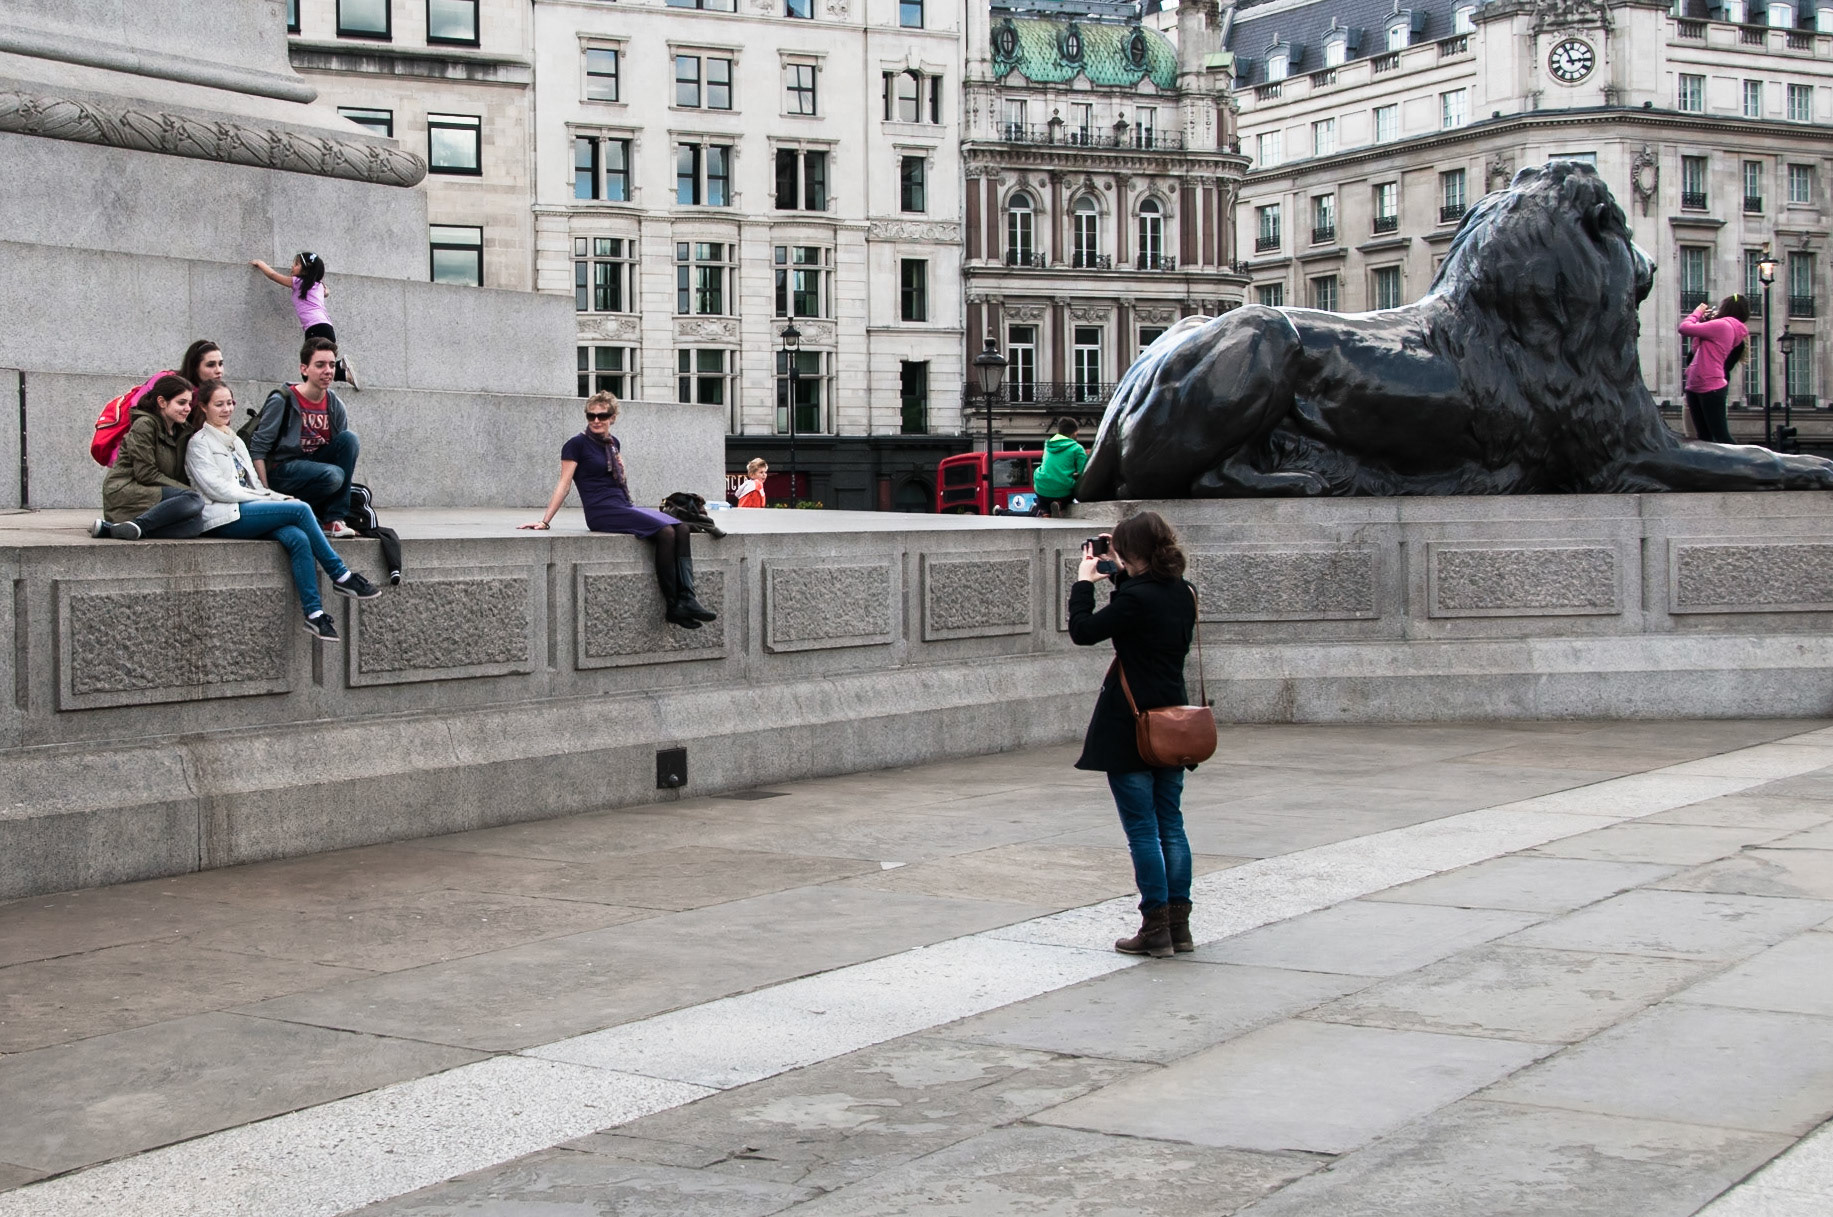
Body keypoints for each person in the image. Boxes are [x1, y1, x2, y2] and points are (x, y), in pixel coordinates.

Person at [1067, 510, 1200, 959]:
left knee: (1143, 831)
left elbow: (1083, 632)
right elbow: (1145, 610)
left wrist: (1085, 581)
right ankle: (1178, 928)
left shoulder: (1134, 599)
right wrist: (1124, 572)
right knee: (1171, 826)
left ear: (1129, 552)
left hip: (1131, 725)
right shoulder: (1184, 592)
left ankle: (1154, 927)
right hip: (1173, 722)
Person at [186, 378, 380, 641]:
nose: (226, 409)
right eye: (219, 404)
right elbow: (217, 490)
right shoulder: (199, 443)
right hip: (223, 516)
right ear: (204, 408)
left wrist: (277, 497)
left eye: (230, 403)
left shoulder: (236, 442)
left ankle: (314, 616)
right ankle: (341, 575)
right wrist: (267, 500)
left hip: (250, 508)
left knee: (298, 537)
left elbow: (255, 483)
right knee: (300, 509)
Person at [519, 392, 717, 630]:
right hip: (601, 511)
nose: (596, 420)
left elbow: (618, 481)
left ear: (612, 417)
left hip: (622, 505)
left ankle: (688, 598)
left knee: (682, 528)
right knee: (666, 532)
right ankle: (674, 605)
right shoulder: (576, 445)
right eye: (591, 415)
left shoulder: (614, 444)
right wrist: (545, 521)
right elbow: (564, 484)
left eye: (602, 415)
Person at [247, 337, 361, 538]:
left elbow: (341, 455)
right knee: (333, 475)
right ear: (304, 369)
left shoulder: (335, 405)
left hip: (316, 469)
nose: (328, 371)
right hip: (283, 470)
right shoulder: (282, 399)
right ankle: (294, 506)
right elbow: (258, 448)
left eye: (331, 365)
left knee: (349, 440)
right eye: (320, 365)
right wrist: (265, 493)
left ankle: (334, 518)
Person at [92, 374, 208, 540]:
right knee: (193, 498)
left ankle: (115, 530)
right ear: (162, 402)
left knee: (195, 525)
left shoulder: (181, 431)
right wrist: (188, 493)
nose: (188, 408)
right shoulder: (144, 425)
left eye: (189, 403)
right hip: (125, 492)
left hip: (154, 493)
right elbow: (145, 473)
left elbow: (179, 476)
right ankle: (139, 525)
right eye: (181, 403)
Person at [251, 251, 359, 389]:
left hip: (315, 328)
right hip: (326, 328)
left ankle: (339, 367)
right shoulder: (318, 286)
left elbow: (273, 276)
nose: (292, 267)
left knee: (309, 371)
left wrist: (261, 264)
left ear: (306, 269)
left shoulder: (298, 283)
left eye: (296, 264)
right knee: (314, 368)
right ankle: (341, 369)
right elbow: (327, 292)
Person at [1679, 294, 1750, 445]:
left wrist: (1697, 312)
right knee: (1705, 437)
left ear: (1725, 308)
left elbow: (1684, 328)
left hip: (1710, 384)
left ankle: (1741, 465)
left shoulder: (1723, 326)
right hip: (1695, 385)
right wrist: (1704, 324)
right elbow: (1693, 356)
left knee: (1721, 437)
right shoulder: (1722, 327)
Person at [1033, 417, 1089, 517]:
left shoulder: (1048, 445)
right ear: (1075, 433)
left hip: (1041, 489)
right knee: (1069, 485)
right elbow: (1084, 472)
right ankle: (1061, 505)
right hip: (1062, 492)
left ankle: (1045, 510)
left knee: (1041, 478)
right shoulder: (1077, 448)